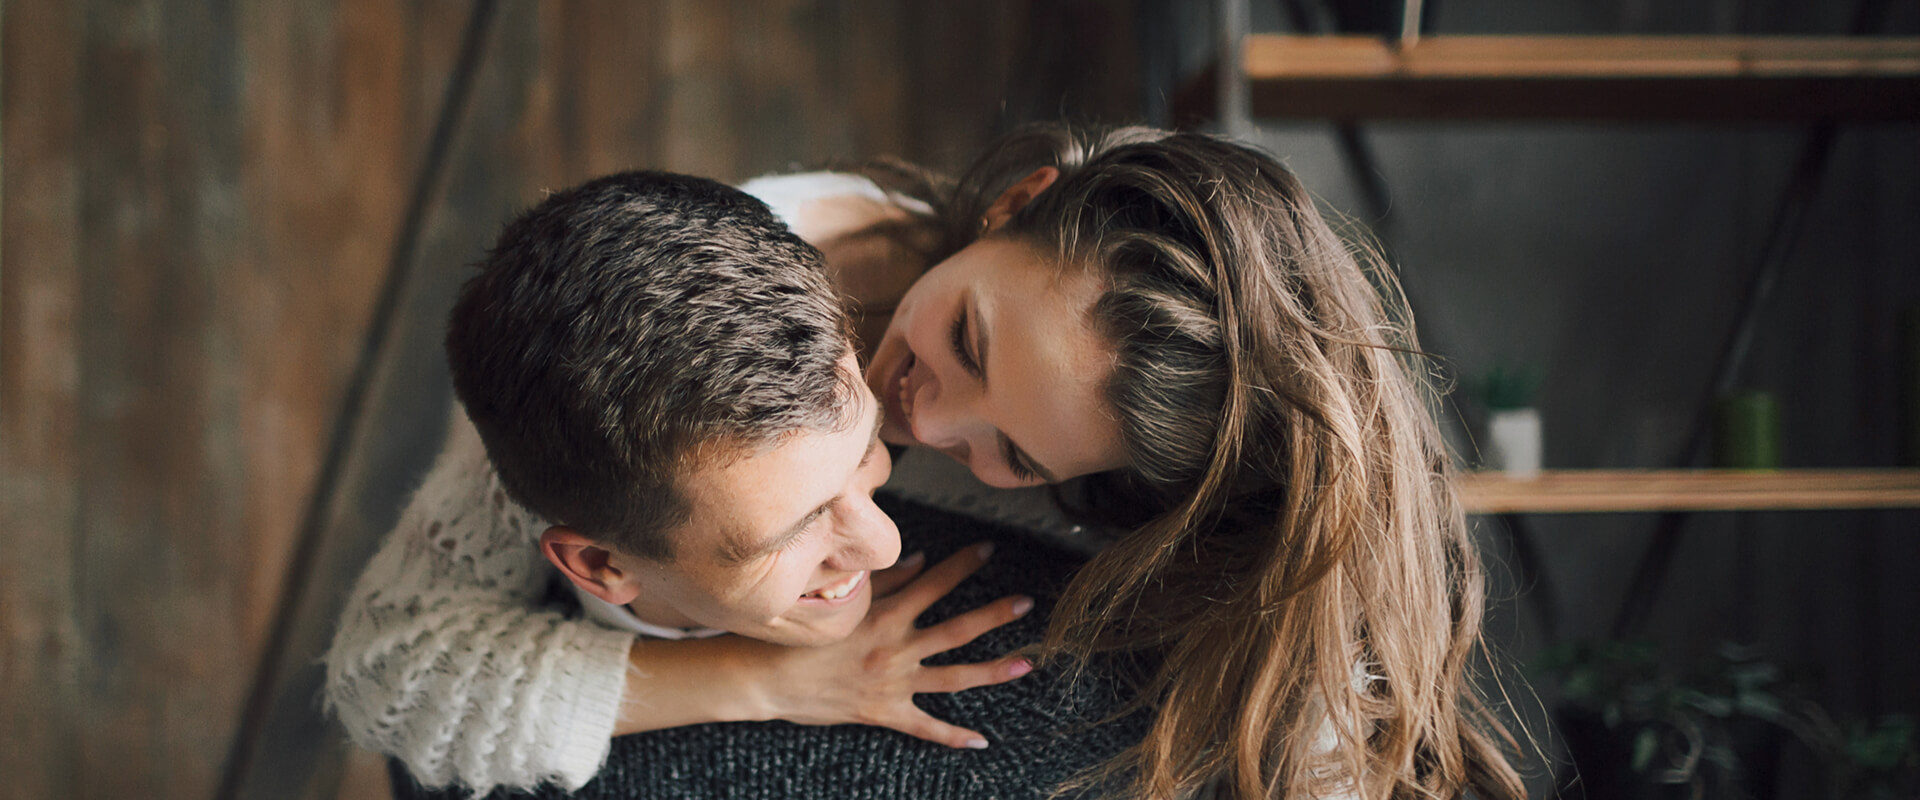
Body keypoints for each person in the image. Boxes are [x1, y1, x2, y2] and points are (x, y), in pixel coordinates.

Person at [344, 122, 1532, 800]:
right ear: (1019, 201)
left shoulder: (1148, 438)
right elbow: (396, 657)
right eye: (966, 336)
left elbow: (1323, 685)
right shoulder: (672, 312)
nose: (928, 409)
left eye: (1011, 450)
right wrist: (767, 681)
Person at [323, 171, 1037, 794]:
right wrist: (765, 679)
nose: (883, 546)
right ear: (601, 567)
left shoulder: (802, 311)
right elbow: (386, 677)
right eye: (796, 528)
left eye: (864, 456)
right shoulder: (540, 461)